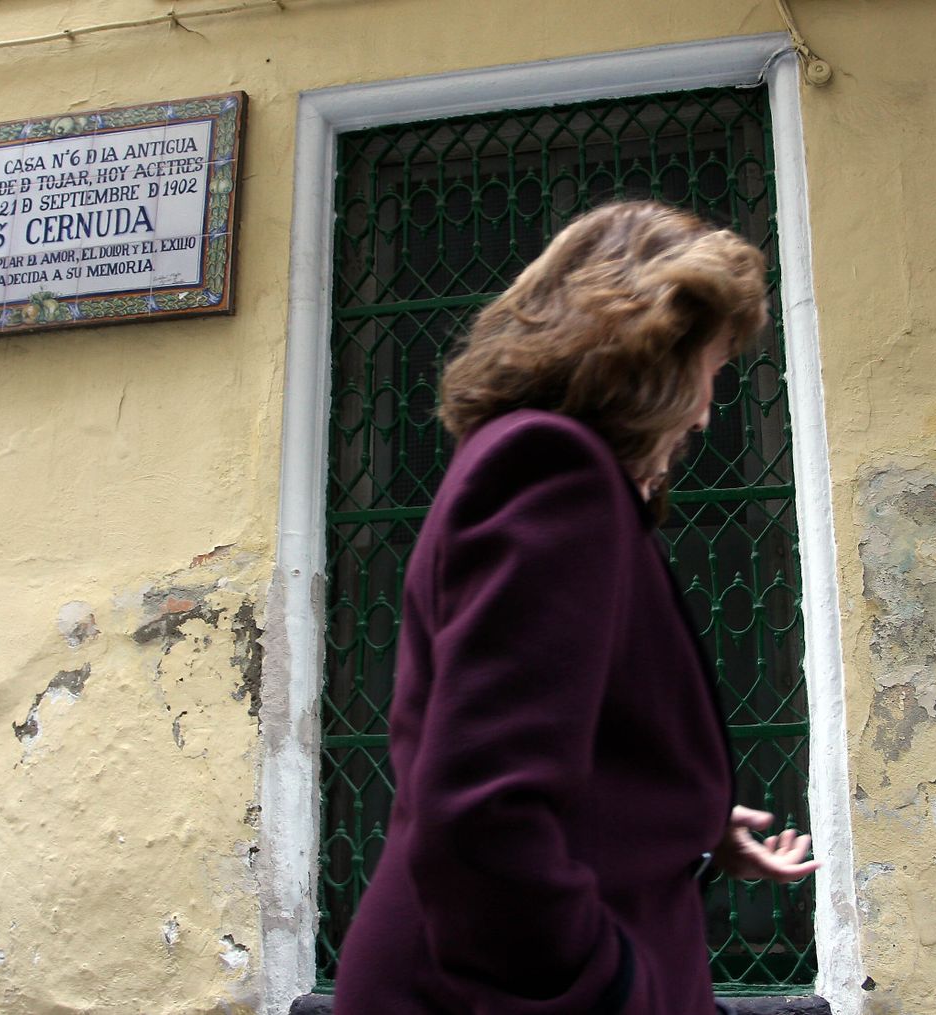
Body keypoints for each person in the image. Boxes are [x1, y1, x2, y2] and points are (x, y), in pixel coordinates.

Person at [332, 201, 819, 1015]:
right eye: (711, 367)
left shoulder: (540, 466)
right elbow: (483, 817)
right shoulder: (551, 468)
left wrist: (683, 822)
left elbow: (544, 755)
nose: (706, 410)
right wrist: (612, 989)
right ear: (653, 349)